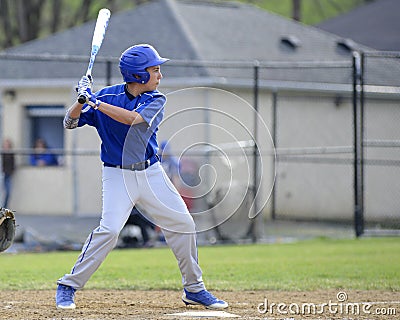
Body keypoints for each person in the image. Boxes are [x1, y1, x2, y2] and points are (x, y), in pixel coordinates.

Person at [56, 44, 228, 310]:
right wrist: (79, 101)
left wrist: (95, 102)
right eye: (155, 70)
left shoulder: (156, 99)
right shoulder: (105, 95)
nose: (160, 75)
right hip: (117, 176)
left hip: (151, 174)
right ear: (138, 75)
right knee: (110, 230)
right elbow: (69, 123)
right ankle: (68, 285)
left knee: (184, 225)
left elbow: (133, 119)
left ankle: (194, 289)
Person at [1, 138, 15, 207]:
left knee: (8, 192)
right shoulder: (2, 153)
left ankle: (4, 207)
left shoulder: (11, 154)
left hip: (8, 175)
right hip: (2, 174)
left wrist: (11, 172)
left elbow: (13, 164)